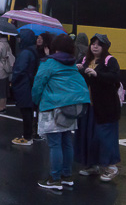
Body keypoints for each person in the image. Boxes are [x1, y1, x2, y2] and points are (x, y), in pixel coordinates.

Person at [32, 34, 90, 191]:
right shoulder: (72, 64)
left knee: (55, 144)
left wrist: (35, 101)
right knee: (66, 141)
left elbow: (38, 84)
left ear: (54, 48)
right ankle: (66, 176)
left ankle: (54, 179)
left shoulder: (48, 63)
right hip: (70, 108)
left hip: (52, 108)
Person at [76, 33, 122, 182]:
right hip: (89, 106)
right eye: (93, 43)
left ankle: (111, 167)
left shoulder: (110, 61)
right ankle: (93, 165)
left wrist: (97, 74)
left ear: (105, 47)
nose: (95, 46)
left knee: (105, 137)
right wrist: (80, 69)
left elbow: (114, 78)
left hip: (106, 108)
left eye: (99, 44)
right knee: (89, 136)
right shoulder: (85, 60)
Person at [10, 29, 38, 146]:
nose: (19, 40)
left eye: (21, 38)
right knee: (30, 111)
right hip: (30, 84)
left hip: (24, 85)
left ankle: (27, 137)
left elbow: (19, 70)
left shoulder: (25, 53)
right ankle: (31, 134)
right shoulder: (33, 51)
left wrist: (13, 81)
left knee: (26, 112)